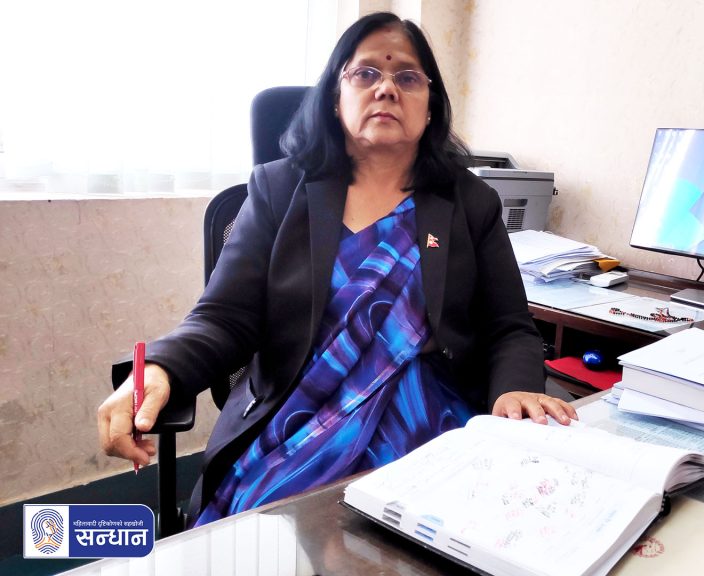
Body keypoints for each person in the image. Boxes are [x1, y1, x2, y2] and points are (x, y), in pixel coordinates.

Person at [96, 11, 576, 527]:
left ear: (431, 104)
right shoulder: (279, 189)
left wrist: (514, 388)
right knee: (271, 541)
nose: (386, 89)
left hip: (431, 421)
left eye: (407, 77)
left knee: (471, 531)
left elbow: (509, 327)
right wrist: (160, 370)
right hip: (299, 417)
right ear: (334, 96)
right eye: (365, 73)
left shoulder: (470, 201)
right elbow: (223, 317)